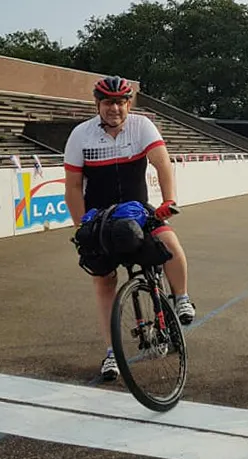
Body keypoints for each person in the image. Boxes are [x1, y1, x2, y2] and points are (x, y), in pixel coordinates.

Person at [64, 76, 196, 381]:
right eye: (108, 102)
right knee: (103, 281)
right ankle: (112, 353)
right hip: (99, 217)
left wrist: (169, 200)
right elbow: (72, 187)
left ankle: (181, 298)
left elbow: (162, 164)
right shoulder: (80, 135)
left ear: (128, 103)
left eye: (121, 102)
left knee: (169, 245)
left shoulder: (142, 126)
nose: (115, 108)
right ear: (97, 104)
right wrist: (81, 226)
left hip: (138, 209)